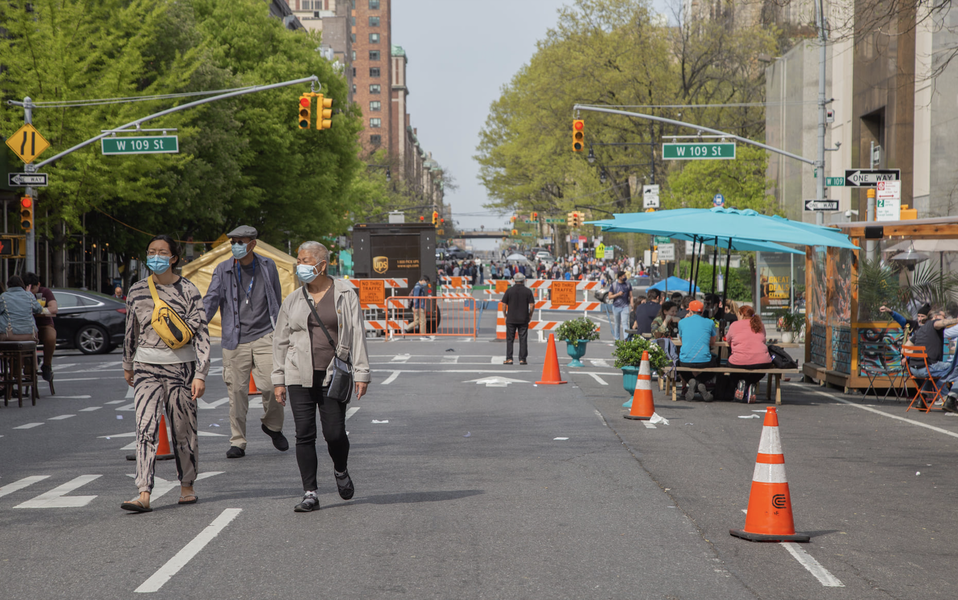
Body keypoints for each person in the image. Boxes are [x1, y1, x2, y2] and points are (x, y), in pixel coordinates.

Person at [272, 241, 370, 512]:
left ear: (322, 265)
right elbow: (280, 340)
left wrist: (361, 372)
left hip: (333, 375)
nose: (300, 265)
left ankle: (340, 469)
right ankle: (310, 493)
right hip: (297, 374)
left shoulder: (345, 293)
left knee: (335, 433)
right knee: (304, 434)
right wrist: (278, 379)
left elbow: (358, 333)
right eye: (299, 260)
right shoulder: (292, 299)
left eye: (306, 260)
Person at [121, 235, 211, 513]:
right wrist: (127, 364)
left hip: (181, 369)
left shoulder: (188, 290)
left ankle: (187, 485)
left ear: (174, 258)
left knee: (183, 428)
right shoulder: (136, 291)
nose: (155, 256)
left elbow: (202, 334)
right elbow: (130, 331)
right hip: (146, 367)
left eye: (162, 252)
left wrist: (201, 374)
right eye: (151, 252)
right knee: (144, 427)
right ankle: (143, 491)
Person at [203, 226, 287, 459]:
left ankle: (272, 426)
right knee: (237, 392)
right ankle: (238, 441)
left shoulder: (268, 266)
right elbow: (211, 300)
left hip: (265, 334)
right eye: (233, 241)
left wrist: (280, 329)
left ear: (253, 244)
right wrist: (196, 325)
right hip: (234, 337)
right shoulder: (223, 269)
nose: (236, 245)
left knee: (273, 385)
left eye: (241, 241)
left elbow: (276, 298)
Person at [724, 305, 774, 402]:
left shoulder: (734, 325)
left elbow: (728, 340)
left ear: (742, 315)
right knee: (761, 368)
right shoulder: (760, 325)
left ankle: (740, 383)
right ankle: (751, 383)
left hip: (739, 360)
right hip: (763, 361)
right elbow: (763, 340)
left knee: (730, 366)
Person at [677, 299, 718, 402]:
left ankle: (692, 381)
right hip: (704, 361)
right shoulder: (709, 322)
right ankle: (700, 382)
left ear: (690, 311)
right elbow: (713, 342)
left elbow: (682, 340)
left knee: (679, 365)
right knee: (716, 363)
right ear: (702, 312)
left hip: (685, 361)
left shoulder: (682, 322)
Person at [23, 273, 57, 382]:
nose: (31, 291)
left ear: (38, 284)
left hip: (43, 324)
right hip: (26, 326)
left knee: (51, 337)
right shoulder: (21, 294)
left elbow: (54, 308)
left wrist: (40, 310)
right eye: (29, 288)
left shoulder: (45, 292)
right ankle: (29, 365)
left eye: (33, 288)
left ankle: (47, 364)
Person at [501, 273, 535, 365]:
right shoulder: (527, 291)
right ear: (523, 280)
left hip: (511, 318)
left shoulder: (509, 291)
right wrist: (530, 315)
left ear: (514, 280)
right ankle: (522, 359)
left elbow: (504, 305)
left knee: (510, 339)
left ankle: (509, 358)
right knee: (523, 339)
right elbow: (532, 305)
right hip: (523, 318)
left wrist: (505, 315)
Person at [0, 276, 43, 341]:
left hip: (9, 334)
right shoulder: (29, 295)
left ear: (8, 285)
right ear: (22, 285)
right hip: (31, 334)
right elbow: (39, 309)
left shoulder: (3, 297)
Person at [608, 271, 633, 342]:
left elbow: (631, 296)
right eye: (623, 276)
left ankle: (626, 338)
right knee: (617, 324)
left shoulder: (628, 285)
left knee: (625, 323)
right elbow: (609, 296)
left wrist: (632, 306)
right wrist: (618, 294)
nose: (625, 277)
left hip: (625, 306)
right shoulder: (614, 285)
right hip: (616, 307)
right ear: (620, 277)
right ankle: (617, 338)